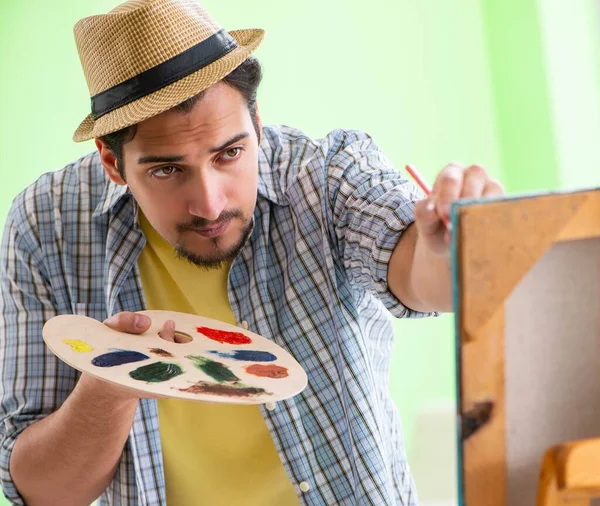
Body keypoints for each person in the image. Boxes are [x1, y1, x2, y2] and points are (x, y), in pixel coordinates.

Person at [0, 0, 504, 505]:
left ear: (257, 124)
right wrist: (111, 383)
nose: (210, 203)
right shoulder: (46, 227)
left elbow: (422, 279)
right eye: (167, 170)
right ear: (112, 162)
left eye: (230, 153)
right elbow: (43, 492)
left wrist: (452, 250)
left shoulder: (326, 176)